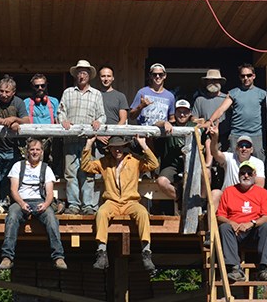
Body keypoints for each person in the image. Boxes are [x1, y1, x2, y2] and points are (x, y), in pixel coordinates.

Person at [82, 135, 159, 274]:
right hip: (112, 201)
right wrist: (89, 144)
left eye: (119, 147)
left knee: (142, 213)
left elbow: (154, 164)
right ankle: (101, 252)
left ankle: (146, 252)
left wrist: (143, 145)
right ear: (109, 149)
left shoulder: (134, 160)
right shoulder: (104, 162)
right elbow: (86, 165)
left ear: (124, 147)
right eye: (114, 147)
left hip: (131, 201)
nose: (117, 150)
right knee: (101, 213)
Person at [0, 138, 67, 270]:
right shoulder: (18, 166)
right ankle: (7, 257)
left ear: (42, 152)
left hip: (40, 201)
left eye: (38, 150)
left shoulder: (46, 169)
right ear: (27, 152)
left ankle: (58, 257)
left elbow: (49, 193)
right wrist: (21, 203)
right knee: (12, 216)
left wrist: (46, 205)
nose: (35, 152)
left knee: (51, 218)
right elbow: (13, 189)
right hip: (20, 201)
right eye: (32, 149)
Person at [216, 161, 267, 283]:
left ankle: (263, 268)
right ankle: (234, 269)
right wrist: (231, 223)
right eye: (243, 173)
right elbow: (219, 216)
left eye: (249, 173)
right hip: (235, 233)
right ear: (239, 174)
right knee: (224, 228)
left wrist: (251, 223)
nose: (246, 176)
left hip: (253, 232)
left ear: (254, 175)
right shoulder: (229, 191)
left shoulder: (262, 192)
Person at [58, 60, 106, 215]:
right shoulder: (68, 92)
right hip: (70, 140)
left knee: (88, 173)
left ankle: (88, 205)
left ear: (89, 76)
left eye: (85, 72)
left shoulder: (96, 94)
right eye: (79, 72)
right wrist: (63, 121)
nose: (82, 75)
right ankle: (73, 204)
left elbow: (102, 115)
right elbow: (60, 111)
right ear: (76, 75)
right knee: (70, 174)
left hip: (88, 142)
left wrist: (98, 122)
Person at [0, 75, 30, 213]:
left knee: (7, 175)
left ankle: (3, 201)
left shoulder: (18, 102)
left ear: (13, 92)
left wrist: (15, 119)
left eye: (7, 92)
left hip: (12, 147)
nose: (3, 94)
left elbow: (27, 120)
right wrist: (5, 122)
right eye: (1, 91)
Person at [207, 64, 267, 160]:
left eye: (249, 75)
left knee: (259, 162)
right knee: (233, 163)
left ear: (254, 76)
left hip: (256, 134)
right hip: (237, 133)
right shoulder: (234, 93)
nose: (246, 78)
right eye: (243, 76)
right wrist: (209, 121)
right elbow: (221, 109)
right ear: (240, 77)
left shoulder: (262, 94)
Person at [207, 126, 265, 209]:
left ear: (251, 149)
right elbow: (214, 152)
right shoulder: (229, 157)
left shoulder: (258, 163)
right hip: (227, 196)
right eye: (241, 145)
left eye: (247, 146)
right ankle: (213, 221)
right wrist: (215, 137)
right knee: (215, 193)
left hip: (248, 198)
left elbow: (259, 185)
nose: (244, 148)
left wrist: (242, 196)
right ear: (237, 148)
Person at [155, 99, 197, 207]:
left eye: (185, 112)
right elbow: (155, 124)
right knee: (161, 181)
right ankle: (181, 199)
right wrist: (165, 122)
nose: (182, 114)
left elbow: (206, 133)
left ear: (190, 113)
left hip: (191, 164)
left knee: (204, 176)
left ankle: (197, 204)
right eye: (179, 111)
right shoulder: (169, 125)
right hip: (172, 166)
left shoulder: (194, 126)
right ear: (175, 112)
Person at [23, 74, 63, 181]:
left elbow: (57, 119)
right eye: (37, 86)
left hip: (50, 139)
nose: (40, 88)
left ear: (46, 86)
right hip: (32, 139)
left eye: (42, 86)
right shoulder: (26, 103)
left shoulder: (54, 102)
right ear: (32, 87)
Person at [96, 64, 129, 154]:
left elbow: (123, 119)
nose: (106, 79)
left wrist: (111, 133)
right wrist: (97, 135)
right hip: (97, 138)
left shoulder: (120, 96)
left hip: (115, 139)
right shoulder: (94, 95)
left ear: (113, 78)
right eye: (103, 76)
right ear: (99, 78)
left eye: (108, 76)